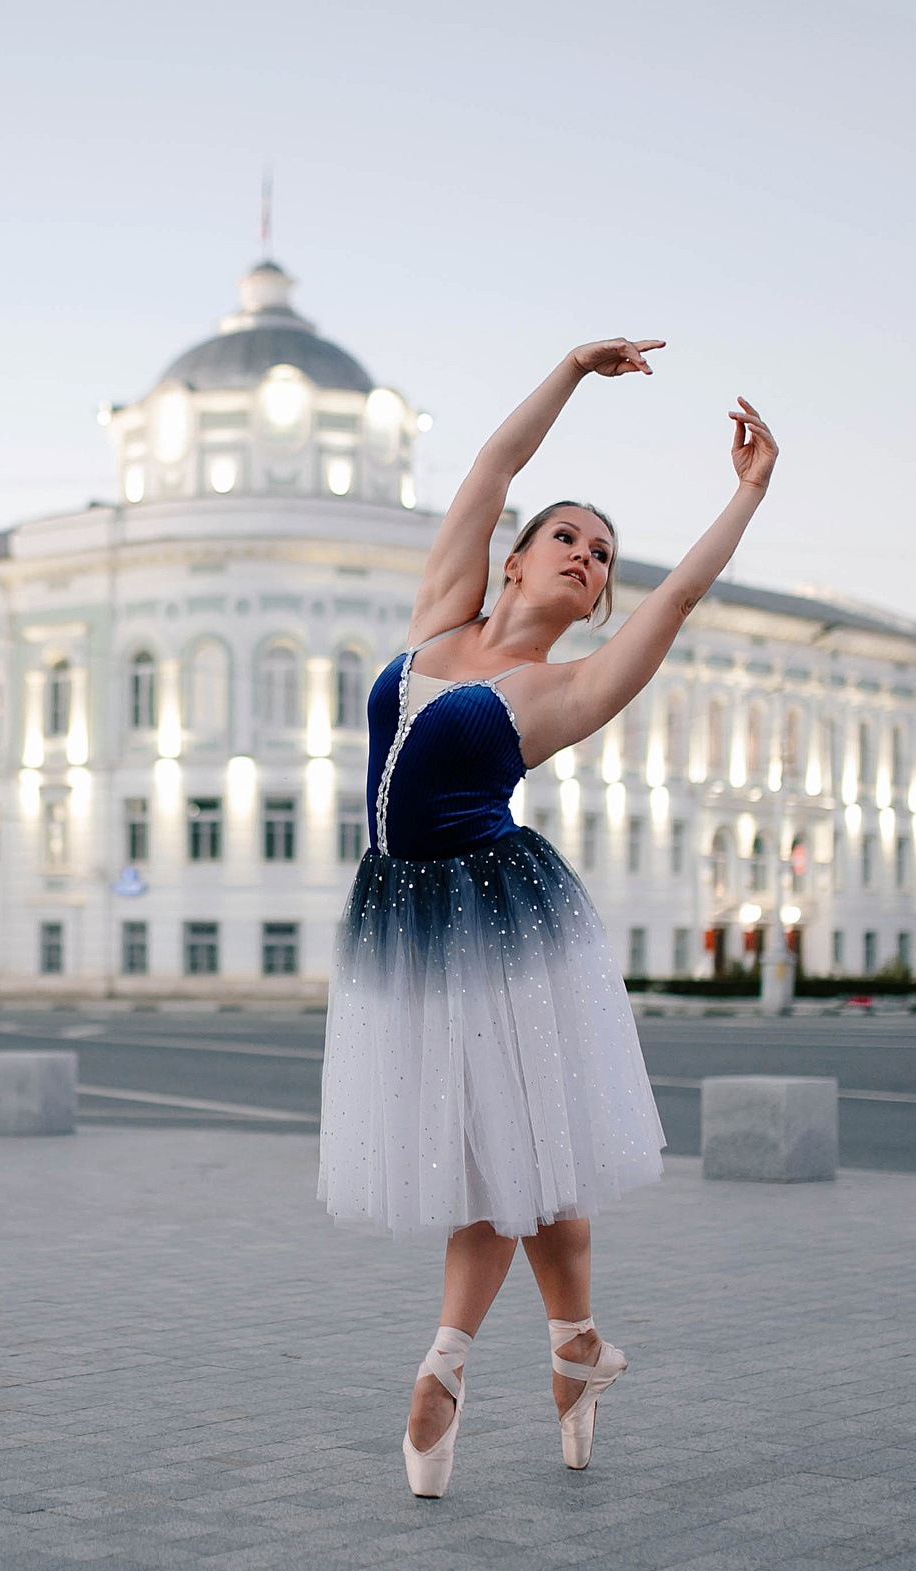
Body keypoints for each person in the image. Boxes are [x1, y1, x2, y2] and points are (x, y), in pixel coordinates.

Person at [317, 337, 778, 1497]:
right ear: (513, 559)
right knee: (526, 1171)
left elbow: (678, 593)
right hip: (409, 922)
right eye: (566, 535)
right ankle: (569, 1357)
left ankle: (457, 1371)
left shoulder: (567, 686)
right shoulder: (435, 617)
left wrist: (749, 492)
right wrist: (572, 371)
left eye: (602, 555)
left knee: (510, 1168)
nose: (587, 556)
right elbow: (492, 459)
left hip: (493, 918)